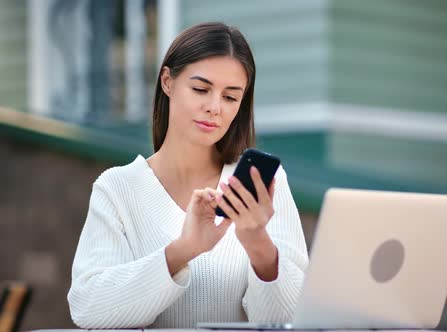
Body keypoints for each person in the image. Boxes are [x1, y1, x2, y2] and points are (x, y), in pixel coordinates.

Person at [67, 22, 309, 329]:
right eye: (201, 89)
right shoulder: (118, 188)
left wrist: (258, 243)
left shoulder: (263, 188)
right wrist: (184, 250)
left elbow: (296, 320)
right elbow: (88, 309)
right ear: (167, 81)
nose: (214, 108)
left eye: (231, 97)